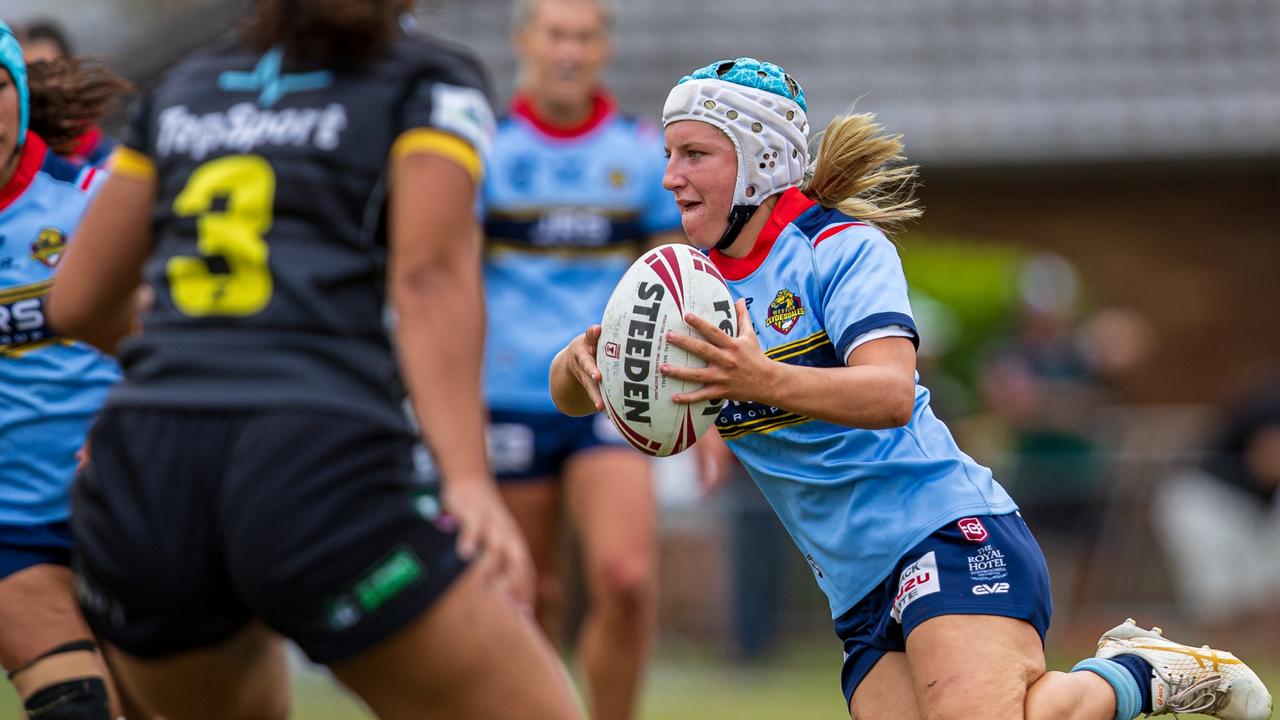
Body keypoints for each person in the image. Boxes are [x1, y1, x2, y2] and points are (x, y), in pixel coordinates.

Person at [550, 57, 1272, 720]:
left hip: (946, 531)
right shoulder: (688, 286)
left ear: (760, 161)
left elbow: (890, 392)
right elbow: (576, 395)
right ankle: (1141, 673)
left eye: (694, 155)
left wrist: (759, 376)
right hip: (855, 588)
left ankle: (1139, 676)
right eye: (670, 156)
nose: (671, 176)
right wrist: (584, 365)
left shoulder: (839, 249)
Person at [46, 2, 584, 719]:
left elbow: (77, 301)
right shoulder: (429, 80)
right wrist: (467, 480)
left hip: (147, 473)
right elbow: (427, 279)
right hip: (315, 460)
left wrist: (183, 364)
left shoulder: (184, 85)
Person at [480, 1, 682, 717]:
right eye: (556, 34)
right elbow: (439, 280)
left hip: (615, 395)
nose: (570, 50)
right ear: (525, 43)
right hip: (508, 395)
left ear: (604, 49)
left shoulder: (639, 151)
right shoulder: (485, 150)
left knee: (625, 579)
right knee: (526, 597)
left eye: (585, 36)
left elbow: (677, 282)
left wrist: (707, 413)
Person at [0, 19, 135, 720]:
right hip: (10, 532)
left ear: (19, 93)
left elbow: (177, 344)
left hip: (122, 509)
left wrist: (125, 426)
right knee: (76, 709)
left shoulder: (95, 199)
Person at [15, 18, 117, 167]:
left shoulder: (118, 162)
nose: (38, 88)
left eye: (49, 73)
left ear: (73, 74)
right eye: (26, 77)